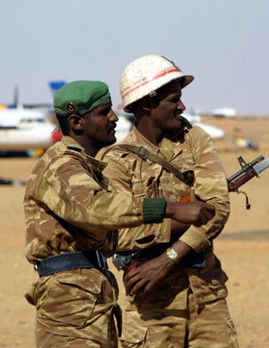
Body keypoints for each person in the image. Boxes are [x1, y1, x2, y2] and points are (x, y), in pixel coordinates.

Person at [24, 80, 215, 348]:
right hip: (69, 303)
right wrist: (169, 208)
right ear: (77, 122)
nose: (114, 116)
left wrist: (176, 224)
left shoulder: (86, 167)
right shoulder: (62, 165)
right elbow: (97, 209)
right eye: (104, 112)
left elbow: (116, 236)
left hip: (91, 297)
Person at [97, 55, 238, 347]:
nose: (182, 107)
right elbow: (118, 232)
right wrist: (183, 215)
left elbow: (217, 209)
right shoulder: (117, 161)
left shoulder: (195, 139)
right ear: (147, 104)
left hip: (207, 299)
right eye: (174, 99)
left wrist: (166, 258)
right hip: (152, 309)